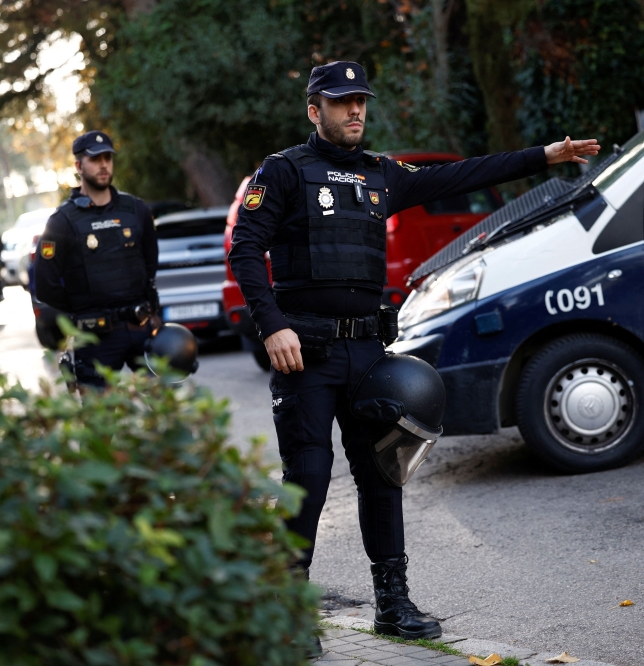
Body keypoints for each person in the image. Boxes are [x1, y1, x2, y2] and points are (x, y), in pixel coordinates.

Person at [228, 61, 599, 644]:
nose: (355, 110)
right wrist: (272, 326)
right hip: (307, 355)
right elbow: (246, 249)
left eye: (361, 101)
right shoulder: (284, 172)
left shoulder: (383, 174)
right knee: (309, 476)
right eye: (341, 101)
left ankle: (393, 606)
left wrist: (542, 157)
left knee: (383, 477)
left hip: (369, 353)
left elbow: (462, 176)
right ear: (313, 110)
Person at [33, 130, 161, 388]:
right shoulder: (61, 223)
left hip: (141, 327)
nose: (103, 164)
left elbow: (150, 263)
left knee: (166, 411)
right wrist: (82, 306)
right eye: (95, 159)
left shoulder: (136, 210)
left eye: (107, 158)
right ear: (79, 166)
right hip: (95, 338)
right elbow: (45, 284)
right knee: (100, 422)